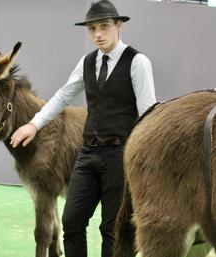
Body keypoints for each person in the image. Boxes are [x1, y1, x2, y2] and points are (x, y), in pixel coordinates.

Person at [10, 1, 156, 257]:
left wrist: (143, 164)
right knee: (72, 221)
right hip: (87, 154)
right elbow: (63, 96)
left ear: (118, 26)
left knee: (112, 228)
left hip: (120, 155)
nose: (98, 34)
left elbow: (148, 114)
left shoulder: (137, 62)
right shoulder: (88, 62)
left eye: (104, 27)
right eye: (92, 29)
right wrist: (33, 125)